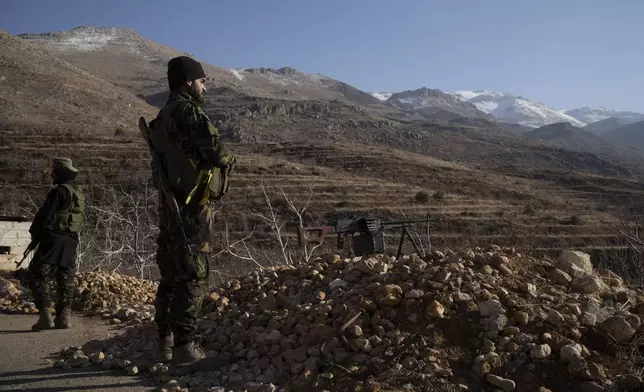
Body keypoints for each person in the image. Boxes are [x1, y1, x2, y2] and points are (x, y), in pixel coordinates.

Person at [146, 56, 236, 367]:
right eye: (201, 81)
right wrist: (229, 158)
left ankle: (164, 342)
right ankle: (185, 346)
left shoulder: (162, 117)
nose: (205, 87)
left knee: (170, 275)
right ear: (188, 82)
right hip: (192, 206)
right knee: (194, 274)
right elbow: (218, 153)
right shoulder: (188, 112)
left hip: (170, 207)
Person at [27, 157, 85, 331]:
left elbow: (46, 215)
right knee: (66, 278)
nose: (51, 174)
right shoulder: (78, 193)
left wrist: (35, 234)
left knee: (37, 274)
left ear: (59, 173)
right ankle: (64, 318)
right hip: (71, 240)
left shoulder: (58, 192)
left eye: (54, 171)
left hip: (53, 239)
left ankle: (45, 316)